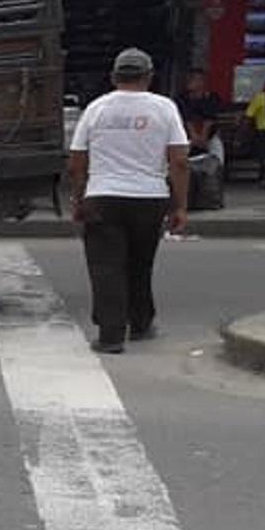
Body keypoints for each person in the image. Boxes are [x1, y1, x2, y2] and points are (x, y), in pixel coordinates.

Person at [68, 47, 189, 353]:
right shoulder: (165, 108)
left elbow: (77, 160)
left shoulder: (96, 109)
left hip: (103, 196)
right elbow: (179, 162)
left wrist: (78, 197)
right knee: (140, 263)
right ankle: (141, 323)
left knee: (106, 267)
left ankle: (110, 336)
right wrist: (180, 205)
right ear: (149, 77)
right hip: (150, 198)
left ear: (113, 77)